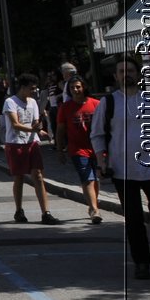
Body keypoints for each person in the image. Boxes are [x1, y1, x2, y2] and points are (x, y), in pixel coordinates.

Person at [90, 53, 150, 278]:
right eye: (121, 71)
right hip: (123, 169)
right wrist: (102, 162)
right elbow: (97, 134)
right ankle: (141, 262)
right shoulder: (108, 102)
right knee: (133, 219)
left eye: (130, 71)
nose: (126, 75)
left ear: (137, 74)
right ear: (115, 76)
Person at [1, 73, 59, 225]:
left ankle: (46, 212)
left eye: (35, 88)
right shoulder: (10, 102)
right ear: (23, 87)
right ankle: (19, 210)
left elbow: (35, 122)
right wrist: (34, 129)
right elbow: (15, 124)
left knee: (38, 175)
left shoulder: (33, 102)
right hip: (15, 143)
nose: (34, 91)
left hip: (32, 142)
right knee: (19, 177)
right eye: (32, 88)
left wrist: (40, 130)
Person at [54, 74, 103, 224]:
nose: (75, 90)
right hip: (77, 149)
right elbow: (60, 129)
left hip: (97, 147)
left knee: (96, 179)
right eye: (72, 87)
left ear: (84, 87)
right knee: (87, 178)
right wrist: (60, 149)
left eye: (78, 87)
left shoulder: (96, 104)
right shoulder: (65, 107)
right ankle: (94, 210)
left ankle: (93, 204)